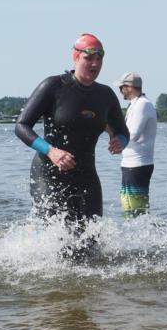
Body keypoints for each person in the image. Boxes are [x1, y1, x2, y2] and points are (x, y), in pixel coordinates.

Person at [15, 33, 129, 226]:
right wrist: (51, 151)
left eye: (99, 58)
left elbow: (123, 132)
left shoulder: (105, 95)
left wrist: (120, 142)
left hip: (86, 176)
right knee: (55, 237)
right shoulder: (53, 86)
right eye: (88, 58)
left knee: (91, 239)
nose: (95, 64)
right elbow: (21, 126)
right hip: (49, 174)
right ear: (75, 57)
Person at [116, 72, 157, 217]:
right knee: (129, 209)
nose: (120, 91)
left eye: (121, 87)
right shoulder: (135, 104)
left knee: (136, 212)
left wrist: (113, 132)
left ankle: (159, 237)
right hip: (130, 163)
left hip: (138, 164)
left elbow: (133, 135)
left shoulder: (143, 105)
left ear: (129, 87)